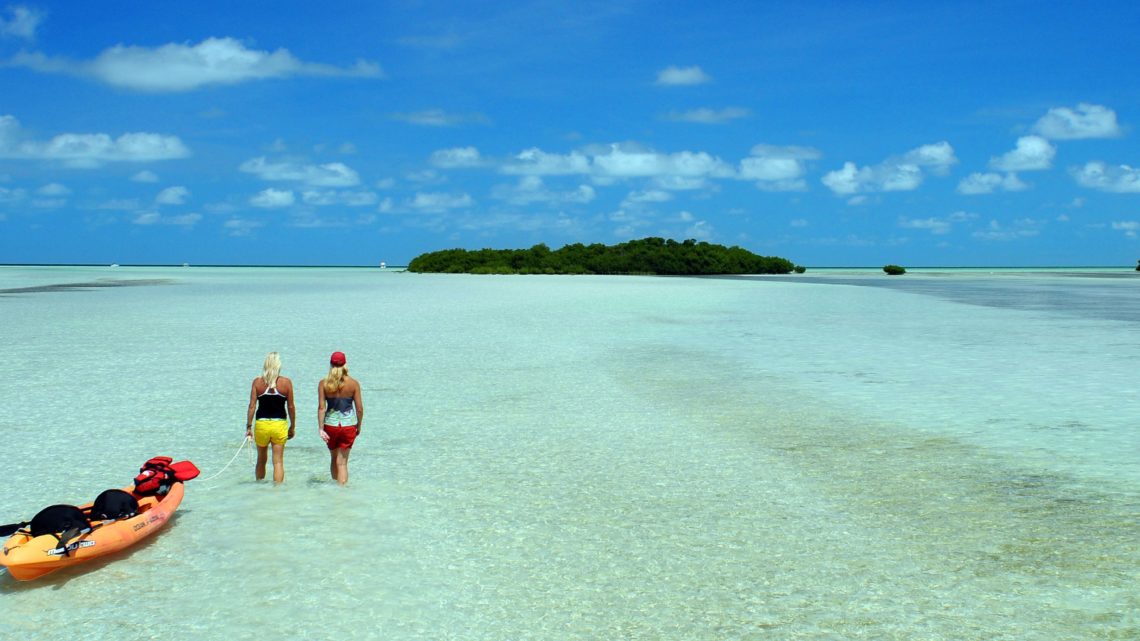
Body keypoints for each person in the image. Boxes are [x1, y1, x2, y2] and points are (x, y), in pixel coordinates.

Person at [245, 352, 296, 483]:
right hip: (279, 425)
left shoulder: (257, 382)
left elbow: (252, 406)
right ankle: (277, 493)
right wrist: (292, 426)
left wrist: (249, 426)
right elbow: (291, 407)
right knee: (278, 462)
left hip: (262, 424)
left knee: (261, 460)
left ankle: (259, 488)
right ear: (278, 365)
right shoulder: (286, 383)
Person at [318, 351, 363, 486]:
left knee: (334, 458)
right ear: (345, 365)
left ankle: (334, 488)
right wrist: (358, 426)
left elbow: (321, 408)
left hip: (330, 425)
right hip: (348, 425)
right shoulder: (353, 384)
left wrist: (321, 429)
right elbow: (359, 409)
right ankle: (342, 493)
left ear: (331, 364)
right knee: (342, 462)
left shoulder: (323, 383)